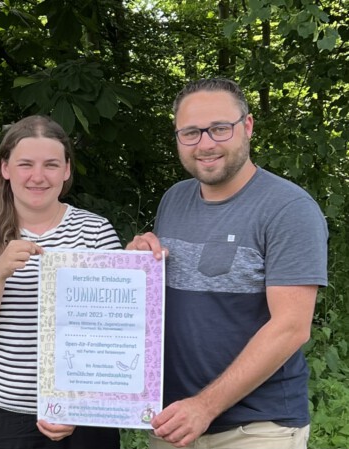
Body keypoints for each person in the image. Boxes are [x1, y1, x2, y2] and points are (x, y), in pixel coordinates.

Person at [127, 78, 328, 449]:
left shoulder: (289, 209)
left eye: (219, 128)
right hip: (175, 422)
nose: (205, 144)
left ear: (247, 126)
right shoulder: (174, 200)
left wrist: (204, 406)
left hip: (255, 428)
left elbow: (291, 328)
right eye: (190, 132)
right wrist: (139, 267)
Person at [0, 115, 121, 449]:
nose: (38, 177)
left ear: (67, 170)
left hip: (80, 417)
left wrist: (78, 407)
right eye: (25, 164)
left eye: (51, 165)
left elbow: (112, 337)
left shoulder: (96, 232)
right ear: (6, 168)